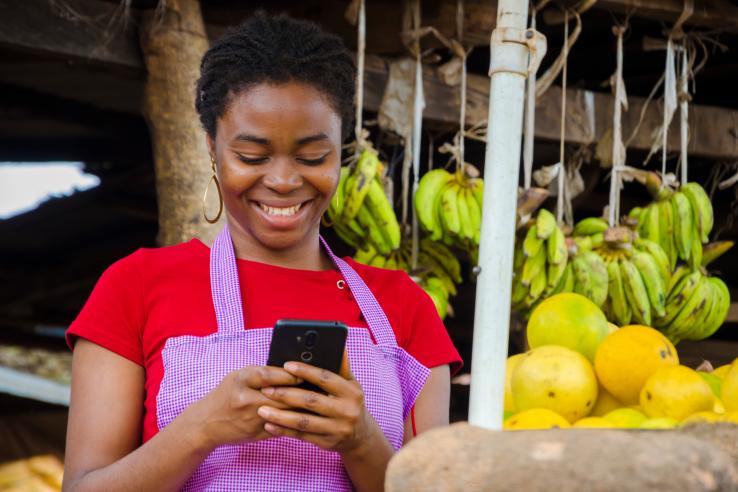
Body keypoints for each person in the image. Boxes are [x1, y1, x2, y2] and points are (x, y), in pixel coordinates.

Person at [63, 12, 461, 492]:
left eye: (313, 157)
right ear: (212, 148)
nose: (283, 181)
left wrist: (361, 441)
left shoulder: (405, 307)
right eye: (251, 157)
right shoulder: (136, 286)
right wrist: (201, 428)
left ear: (342, 151)